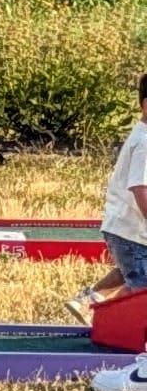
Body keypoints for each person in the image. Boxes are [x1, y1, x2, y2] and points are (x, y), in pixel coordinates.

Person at [69, 71, 147, 322]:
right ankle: (110, 321)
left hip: (126, 229)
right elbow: (140, 188)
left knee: (130, 271)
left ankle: (87, 301)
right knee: (141, 285)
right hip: (131, 230)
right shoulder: (145, 143)